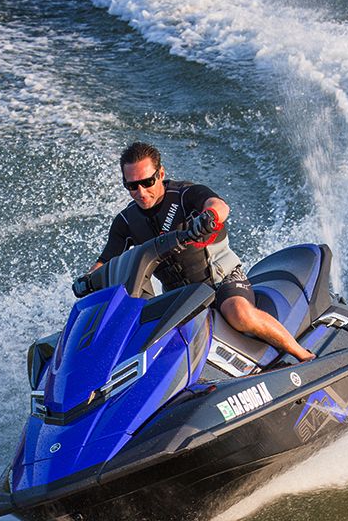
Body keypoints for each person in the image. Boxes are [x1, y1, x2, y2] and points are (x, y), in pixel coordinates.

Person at [89, 141, 314, 362]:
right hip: (181, 298)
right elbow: (105, 262)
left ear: (161, 173)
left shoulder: (185, 194)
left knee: (239, 314)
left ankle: (302, 355)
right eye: (132, 185)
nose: (141, 191)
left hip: (221, 280)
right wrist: (88, 281)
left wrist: (209, 217)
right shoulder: (126, 222)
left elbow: (219, 206)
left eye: (147, 182)